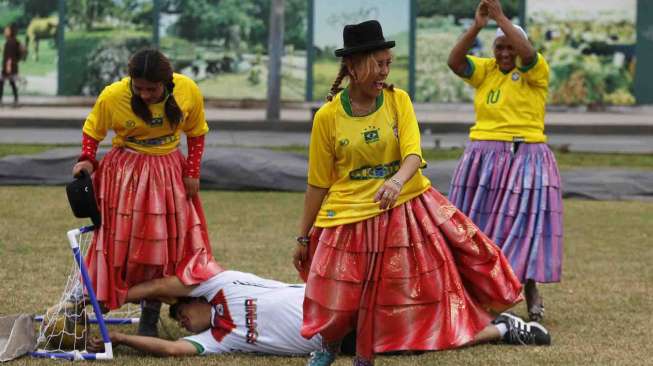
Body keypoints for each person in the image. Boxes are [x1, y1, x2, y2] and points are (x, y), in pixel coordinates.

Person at [293, 20, 543, 366]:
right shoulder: (328, 117)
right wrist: (303, 236)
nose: (384, 71)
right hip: (347, 214)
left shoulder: (398, 102)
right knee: (336, 291)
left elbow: (413, 153)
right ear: (353, 65)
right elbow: (318, 182)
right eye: (378, 64)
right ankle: (328, 347)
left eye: (388, 63)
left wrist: (396, 182)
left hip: (401, 210)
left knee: (396, 294)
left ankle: (366, 355)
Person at [71, 48, 222, 337]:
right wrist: (87, 159)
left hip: (169, 174)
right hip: (125, 175)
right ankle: (85, 304)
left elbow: (197, 131)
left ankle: (149, 319)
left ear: (166, 82)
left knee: (161, 249)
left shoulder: (187, 90)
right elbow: (93, 130)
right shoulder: (113, 95)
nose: (144, 94)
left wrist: (192, 171)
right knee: (120, 245)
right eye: (138, 88)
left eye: (151, 89)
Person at [88, 271, 548, 357]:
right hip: (336, 342)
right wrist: (121, 337)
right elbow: (171, 350)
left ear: (195, 298)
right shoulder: (218, 341)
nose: (181, 319)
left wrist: (119, 295)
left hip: (339, 300)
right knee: (421, 341)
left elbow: (169, 284)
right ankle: (504, 331)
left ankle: (488, 307)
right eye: (179, 320)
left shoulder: (220, 284)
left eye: (180, 311)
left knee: (419, 302)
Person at [447, 0, 562, 322]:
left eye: (509, 47)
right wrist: (478, 27)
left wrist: (500, 17)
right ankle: (475, 296)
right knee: (476, 228)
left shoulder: (535, 71)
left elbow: (527, 54)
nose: (504, 54)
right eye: (499, 47)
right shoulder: (486, 70)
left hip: (525, 157)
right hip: (482, 158)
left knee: (521, 227)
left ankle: (529, 288)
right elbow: (455, 62)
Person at [1, 23, 21, 106]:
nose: (5, 32)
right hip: (12, 66)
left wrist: (8, 66)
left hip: (9, 66)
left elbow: (9, 56)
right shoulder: (15, 41)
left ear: (11, 32)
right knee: (11, 83)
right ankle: (16, 100)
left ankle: (3, 100)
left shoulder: (10, 43)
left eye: (6, 31)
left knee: (2, 83)